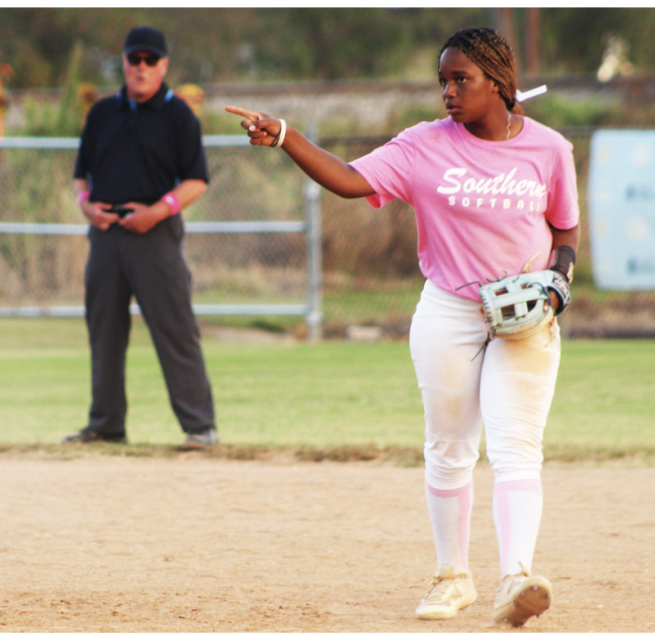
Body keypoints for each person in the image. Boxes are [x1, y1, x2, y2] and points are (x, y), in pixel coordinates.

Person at [226, 27, 578, 627]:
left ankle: (516, 578)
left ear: (497, 80)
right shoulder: (422, 146)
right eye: (442, 80)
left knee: (517, 446)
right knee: (449, 447)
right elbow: (348, 180)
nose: (448, 91)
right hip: (449, 310)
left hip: (525, 315)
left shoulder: (549, 149)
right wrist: (287, 137)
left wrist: (559, 281)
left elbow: (565, 229)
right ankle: (452, 577)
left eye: (460, 79)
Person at [64, 25, 218, 450]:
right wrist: (85, 205)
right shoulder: (103, 113)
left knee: (175, 330)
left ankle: (200, 426)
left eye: (151, 60)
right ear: (125, 63)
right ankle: (106, 424)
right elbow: (81, 174)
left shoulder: (179, 115)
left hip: (156, 234)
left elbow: (196, 180)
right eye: (135, 59)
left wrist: (156, 212)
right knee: (104, 331)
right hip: (106, 234)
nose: (142, 68)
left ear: (164, 65)